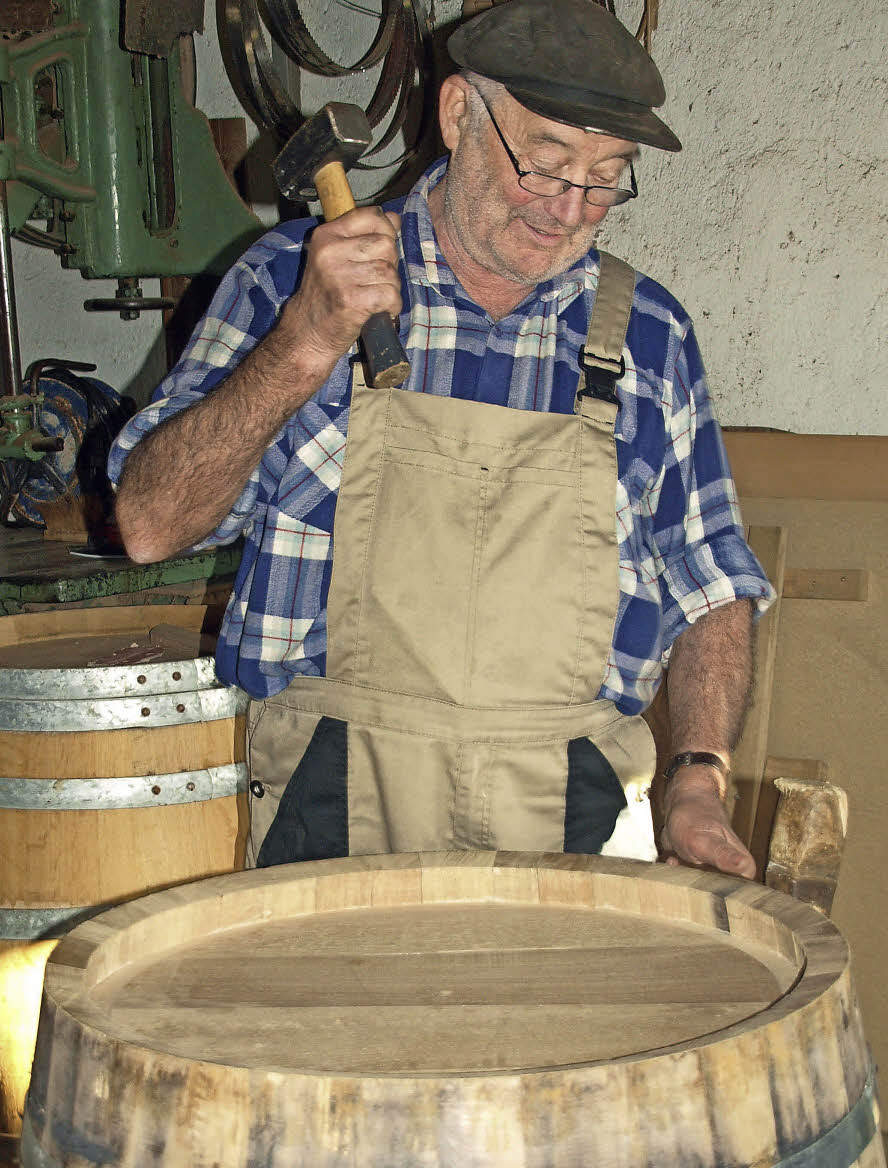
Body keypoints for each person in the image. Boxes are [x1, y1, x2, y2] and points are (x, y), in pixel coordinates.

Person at [108, 0, 775, 877]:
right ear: (460, 115)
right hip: (331, 796)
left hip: (570, 804)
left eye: (607, 177)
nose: (572, 211)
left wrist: (697, 780)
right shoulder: (290, 281)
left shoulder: (648, 334)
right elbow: (150, 524)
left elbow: (711, 584)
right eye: (546, 166)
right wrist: (306, 341)